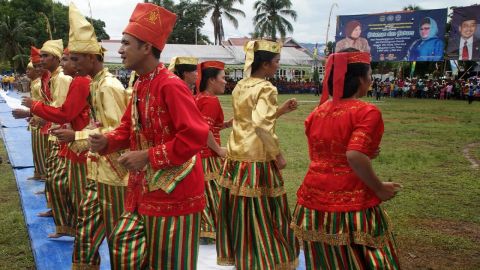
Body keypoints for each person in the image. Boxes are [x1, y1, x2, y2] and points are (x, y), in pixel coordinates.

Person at [89, 3, 209, 268]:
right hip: (143, 188)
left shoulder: (170, 85)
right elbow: (128, 128)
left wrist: (148, 156)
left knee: (169, 262)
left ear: (146, 48)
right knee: (123, 243)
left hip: (175, 191)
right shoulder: (141, 83)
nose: (119, 50)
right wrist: (107, 141)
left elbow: (196, 135)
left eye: (126, 43)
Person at [291, 48, 401, 269]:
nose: (370, 81)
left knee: (326, 261)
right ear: (361, 79)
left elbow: (326, 151)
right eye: (370, 75)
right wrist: (379, 187)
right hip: (351, 203)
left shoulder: (317, 112)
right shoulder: (367, 111)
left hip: (314, 199)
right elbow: (354, 154)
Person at [53, 4, 129, 269]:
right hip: (99, 171)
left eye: (76, 59)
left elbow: (120, 132)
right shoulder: (96, 84)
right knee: (85, 235)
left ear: (93, 58)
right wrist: (81, 134)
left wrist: (77, 134)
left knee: (120, 240)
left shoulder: (108, 86)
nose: (72, 64)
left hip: (117, 176)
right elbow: (103, 126)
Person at [216, 39, 299, 269]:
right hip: (256, 160)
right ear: (264, 65)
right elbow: (261, 125)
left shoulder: (241, 85)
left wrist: (280, 110)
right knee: (265, 214)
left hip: (236, 156)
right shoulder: (266, 87)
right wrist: (277, 154)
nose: (277, 66)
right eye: (276, 62)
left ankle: (244, 257)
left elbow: (250, 120)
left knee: (241, 212)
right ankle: (264, 260)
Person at [22, 46, 92, 240]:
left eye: (69, 60)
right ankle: (69, 225)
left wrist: (33, 109)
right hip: (71, 137)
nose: (64, 64)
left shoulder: (72, 80)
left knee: (72, 188)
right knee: (63, 183)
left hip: (78, 141)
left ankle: (79, 230)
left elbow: (64, 112)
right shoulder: (66, 79)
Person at [195, 61, 231, 241]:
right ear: (211, 80)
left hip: (198, 155)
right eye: (223, 78)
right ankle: (209, 232)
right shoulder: (211, 100)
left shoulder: (199, 97)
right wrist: (219, 150)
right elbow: (204, 130)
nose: (226, 82)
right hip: (208, 156)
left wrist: (226, 125)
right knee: (213, 194)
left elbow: (208, 126)